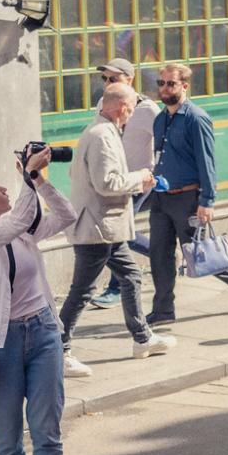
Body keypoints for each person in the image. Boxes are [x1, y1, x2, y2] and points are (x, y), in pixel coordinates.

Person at [0, 146, 78, 455]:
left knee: (46, 428)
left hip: (42, 334)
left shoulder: (19, 228)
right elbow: (19, 216)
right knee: (6, 434)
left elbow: (67, 217)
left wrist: (39, 180)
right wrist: (26, 177)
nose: (2, 186)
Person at [57, 84, 161, 370]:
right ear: (123, 108)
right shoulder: (103, 135)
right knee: (83, 290)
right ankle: (59, 350)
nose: (132, 113)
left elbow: (75, 172)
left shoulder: (98, 130)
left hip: (104, 225)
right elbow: (107, 183)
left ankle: (142, 337)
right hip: (98, 227)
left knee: (131, 276)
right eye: (132, 108)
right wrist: (140, 177)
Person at [147, 62, 228, 327]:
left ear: (184, 86)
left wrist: (207, 202)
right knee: (159, 255)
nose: (165, 88)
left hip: (188, 199)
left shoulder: (196, 118)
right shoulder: (160, 119)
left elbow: (207, 162)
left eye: (171, 83)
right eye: (161, 83)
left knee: (199, 254)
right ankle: (163, 310)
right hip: (161, 198)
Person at [79, 57, 157, 310]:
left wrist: (154, 173)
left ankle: (156, 259)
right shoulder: (104, 103)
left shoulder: (147, 109)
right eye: (105, 78)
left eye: (113, 78)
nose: (107, 83)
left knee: (125, 232)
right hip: (114, 177)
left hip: (138, 179)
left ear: (129, 79)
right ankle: (160, 257)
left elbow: (166, 139)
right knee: (121, 234)